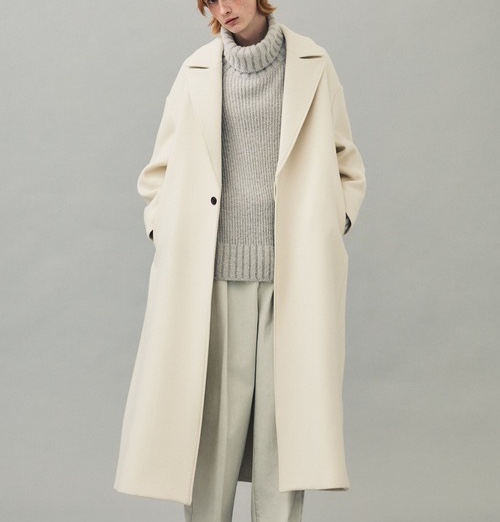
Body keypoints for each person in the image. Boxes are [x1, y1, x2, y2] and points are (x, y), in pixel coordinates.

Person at [114, 1, 366, 521]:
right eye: (210, 0)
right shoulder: (196, 70)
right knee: (210, 436)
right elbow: (158, 172)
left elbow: (347, 164)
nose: (223, 8)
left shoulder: (314, 64)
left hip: (293, 277)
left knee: (284, 434)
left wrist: (332, 223)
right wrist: (164, 229)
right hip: (211, 279)